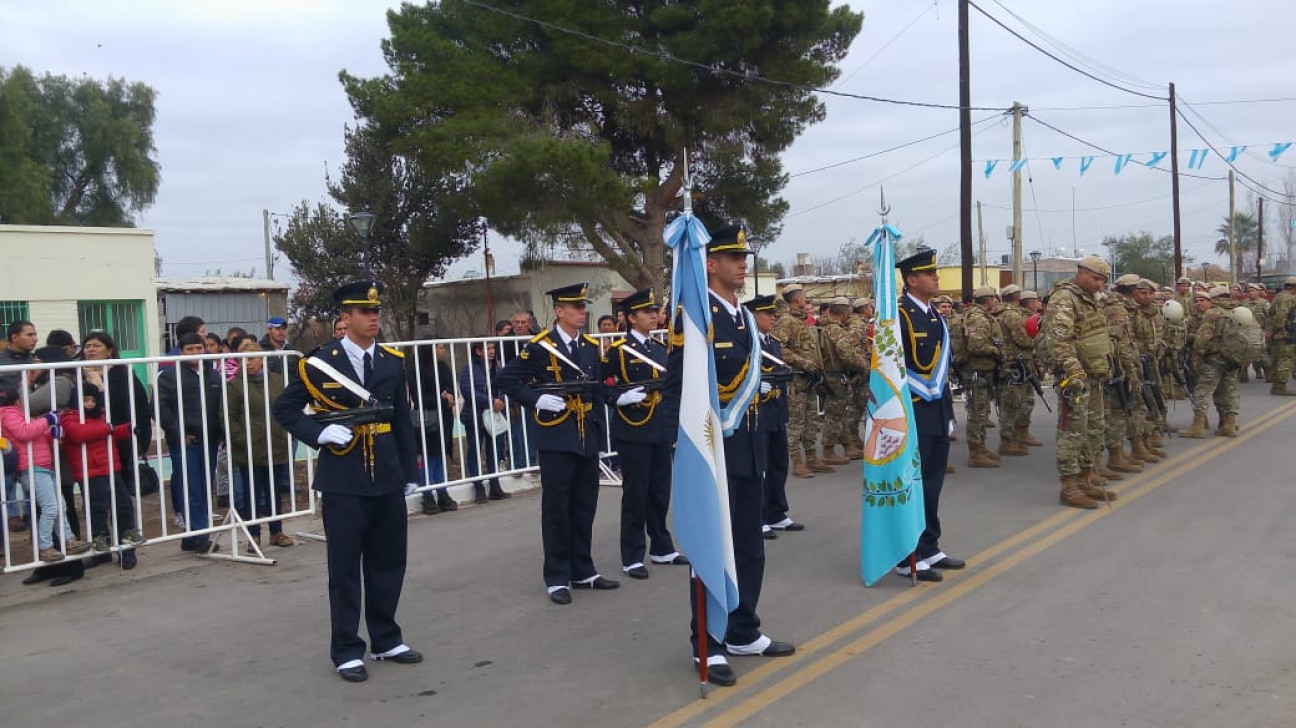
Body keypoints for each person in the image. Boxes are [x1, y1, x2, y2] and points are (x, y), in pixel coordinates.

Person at [662, 225, 795, 688]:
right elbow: (677, 386)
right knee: (713, 547)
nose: (743, 262)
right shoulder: (697, 318)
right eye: (732, 256)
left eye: (744, 255)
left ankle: (743, 629)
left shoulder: (742, 317)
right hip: (714, 450)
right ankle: (709, 644)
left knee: (749, 547)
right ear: (710, 263)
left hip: (751, 444)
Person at [272, 280, 423, 684]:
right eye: (364, 312)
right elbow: (285, 409)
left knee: (389, 562)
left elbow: (401, 419)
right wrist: (318, 434)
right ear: (346, 317)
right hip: (344, 479)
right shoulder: (319, 362)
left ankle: (386, 638)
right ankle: (346, 649)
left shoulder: (391, 361)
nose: (374, 318)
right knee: (344, 568)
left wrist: (410, 471)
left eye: (376, 311)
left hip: (387, 476)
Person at [495, 282, 619, 606]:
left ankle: (583, 569)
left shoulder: (590, 347)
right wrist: (536, 400)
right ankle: (557, 575)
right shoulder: (539, 347)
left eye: (583, 307)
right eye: (575, 307)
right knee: (557, 508)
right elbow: (506, 380)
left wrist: (619, 398)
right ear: (559, 311)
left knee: (584, 504)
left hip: (586, 434)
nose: (582, 313)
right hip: (556, 434)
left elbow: (595, 388)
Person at [601, 288, 686, 579]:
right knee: (636, 494)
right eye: (647, 312)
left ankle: (661, 547)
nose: (654, 316)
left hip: (659, 428)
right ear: (631, 317)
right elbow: (601, 386)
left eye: (655, 311)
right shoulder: (618, 352)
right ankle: (632, 555)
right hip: (634, 428)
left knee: (660, 491)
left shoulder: (659, 349)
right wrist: (617, 398)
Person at [894, 248, 964, 581]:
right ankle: (906, 554)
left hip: (936, 407)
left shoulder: (934, 313)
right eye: (929, 273)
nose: (936, 277)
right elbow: (890, 367)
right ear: (911, 279)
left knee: (933, 481)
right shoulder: (898, 314)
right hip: (912, 408)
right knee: (912, 482)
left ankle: (929, 545)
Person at [1038, 256, 1117, 508]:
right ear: (1081, 273)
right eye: (1096, 279)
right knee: (1072, 431)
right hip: (1075, 377)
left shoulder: (1090, 299)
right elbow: (1059, 340)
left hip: (1093, 373)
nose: (1099, 286)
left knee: (1093, 427)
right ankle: (1069, 487)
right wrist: (1073, 371)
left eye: (1103, 281)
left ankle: (1086, 479)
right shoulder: (1065, 298)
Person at [1, 372, 92, 562]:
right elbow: (24, 433)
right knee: (50, 507)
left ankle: (69, 540)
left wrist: (51, 431)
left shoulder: (22, 415)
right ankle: (45, 546)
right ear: (17, 401)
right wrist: (47, 421)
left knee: (61, 505)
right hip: (32, 467)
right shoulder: (8, 415)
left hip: (43, 465)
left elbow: (36, 435)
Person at [59, 382, 145, 568]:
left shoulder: (102, 416)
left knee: (123, 508)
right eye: (85, 400)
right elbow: (79, 434)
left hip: (111, 468)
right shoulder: (68, 418)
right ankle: (101, 550)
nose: (89, 404)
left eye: (92, 400)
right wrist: (110, 428)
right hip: (89, 472)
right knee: (96, 512)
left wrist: (126, 429)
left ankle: (126, 550)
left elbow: (111, 433)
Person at [157, 332, 225, 551]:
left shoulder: (213, 375)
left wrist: (223, 433)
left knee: (205, 487)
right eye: (190, 349)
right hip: (187, 441)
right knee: (193, 487)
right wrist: (179, 434)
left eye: (199, 348)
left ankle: (191, 537)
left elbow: (221, 407)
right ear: (181, 351)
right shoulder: (169, 376)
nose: (196, 353)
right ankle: (200, 535)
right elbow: (160, 409)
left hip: (210, 440)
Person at [227, 338, 294, 548]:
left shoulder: (276, 381)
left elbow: (285, 407)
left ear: (262, 359)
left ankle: (276, 531)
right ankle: (253, 535)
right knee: (252, 493)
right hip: (250, 448)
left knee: (274, 491)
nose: (248, 363)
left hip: (275, 444)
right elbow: (229, 418)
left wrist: (283, 431)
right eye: (243, 359)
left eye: (253, 358)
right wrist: (242, 440)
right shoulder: (235, 385)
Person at [748, 294, 804, 538]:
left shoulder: (773, 343)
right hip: (758, 411)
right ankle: (758, 516)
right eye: (767, 314)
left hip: (776, 409)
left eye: (774, 313)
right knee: (760, 467)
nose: (774, 317)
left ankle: (777, 512)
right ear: (753, 316)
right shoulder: (749, 343)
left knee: (778, 464)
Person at [771, 285, 831, 477]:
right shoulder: (786, 321)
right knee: (797, 421)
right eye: (803, 296)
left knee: (811, 419)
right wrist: (803, 363)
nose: (805, 299)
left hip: (811, 379)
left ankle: (812, 457)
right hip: (796, 379)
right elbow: (778, 348)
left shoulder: (804, 321)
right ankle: (796, 462)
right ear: (797, 299)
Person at [1178, 287, 1242, 438]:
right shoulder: (1238, 311)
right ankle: (1229, 424)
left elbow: (1203, 338)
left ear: (1214, 298)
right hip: (1233, 359)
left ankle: (1198, 427)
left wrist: (1197, 356)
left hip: (1214, 360)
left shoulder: (1213, 313)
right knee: (1230, 392)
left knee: (1202, 392)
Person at [459, 340, 512, 504]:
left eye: (492, 348)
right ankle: (478, 486)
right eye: (487, 348)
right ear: (478, 351)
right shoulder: (469, 368)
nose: (491, 351)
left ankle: (495, 484)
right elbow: (468, 391)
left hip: (495, 415)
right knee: (475, 449)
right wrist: (491, 401)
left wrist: (501, 400)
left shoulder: (498, 366)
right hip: (475, 415)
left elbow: (504, 385)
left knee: (494, 450)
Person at [817, 297, 868, 462]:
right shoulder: (836, 330)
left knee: (839, 411)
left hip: (827, 373)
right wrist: (863, 366)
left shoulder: (820, 326)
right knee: (835, 413)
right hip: (835, 374)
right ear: (845, 312)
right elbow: (847, 355)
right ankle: (828, 451)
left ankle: (848, 446)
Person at [960, 286, 1004, 468]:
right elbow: (975, 346)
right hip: (976, 370)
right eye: (993, 298)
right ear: (987, 300)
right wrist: (997, 351)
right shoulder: (979, 318)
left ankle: (981, 447)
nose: (995, 301)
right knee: (977, 413)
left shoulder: (980, 316)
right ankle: (975, 452)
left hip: (982, 371)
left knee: (982, 410)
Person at [1266, 277, 1296, 395]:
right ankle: (1280, 387)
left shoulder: (1279, 296)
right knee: (1285, 359)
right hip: (1285, 334)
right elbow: (1280, 317)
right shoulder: (1287, 298)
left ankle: (1277, 385)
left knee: (1278, 359)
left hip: (1279, 334)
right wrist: (1282, 331)